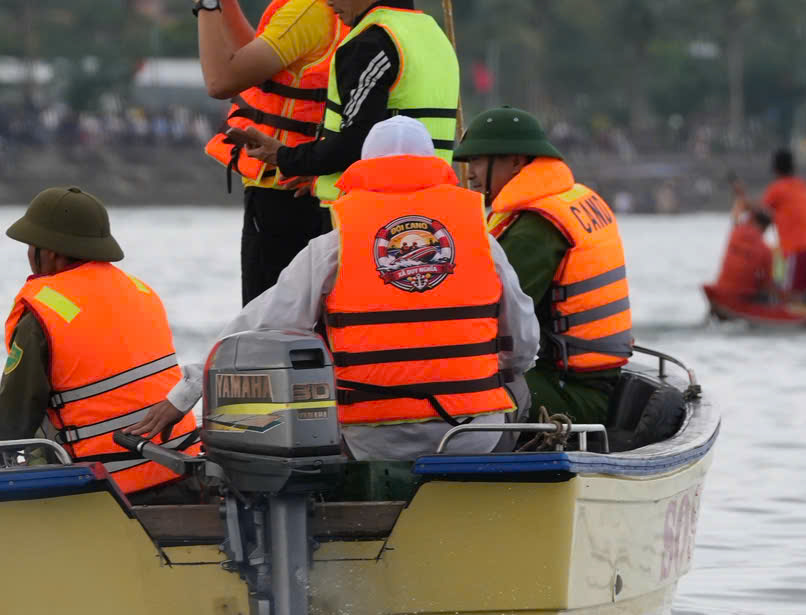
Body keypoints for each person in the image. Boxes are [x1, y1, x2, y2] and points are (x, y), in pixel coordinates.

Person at [141, 118, 535, 465]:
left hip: (372, 440)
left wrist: (186, 391)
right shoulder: (481, 239)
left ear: (363, 168)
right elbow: (524, 344)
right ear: (435, 166)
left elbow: (259, 324)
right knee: (516, 383)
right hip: (470, 435)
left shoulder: (336, 243)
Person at [0, 186, 201, 502]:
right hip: (182, 473)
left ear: (50, 252)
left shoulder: (42, 314)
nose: (28, 254)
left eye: (30, 245)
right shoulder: (141, 292)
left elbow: (13, 422)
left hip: (110, 490)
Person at [189, 0, 350, 302]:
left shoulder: (307, 8)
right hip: (310, 181)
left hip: (283, 189)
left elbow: (221, 81)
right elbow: (258, 64)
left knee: (267, 316)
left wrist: (206, 2)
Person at [223, 0, 461, 202]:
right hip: (430, 205)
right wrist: (316, 171)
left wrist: (282, 155)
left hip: (374, 208)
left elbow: (354, 141)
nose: (330, 0)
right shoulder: (432, 33)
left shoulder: (369, 43)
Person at [450, 106, 634, 434]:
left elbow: (490, 319)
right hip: (591, 382)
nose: (471, 173)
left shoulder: (535, 228)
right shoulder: (573, 198)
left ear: (516, 162)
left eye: (477, 160)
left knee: (446, 397)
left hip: (569, 393)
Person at [754, 150, 806, 299]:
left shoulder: (776, 189)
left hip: (799, 250)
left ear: (775, 169)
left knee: (792, 296)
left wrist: (742, 203)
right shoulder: (803, 186)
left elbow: (759, 215)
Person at [711, 201, 776, 304]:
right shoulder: (766, 251)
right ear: (766, 227)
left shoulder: (736, 232)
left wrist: (749, 205)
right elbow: (767, 283)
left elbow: (738, 209)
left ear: (751, 219)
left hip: (721, 290)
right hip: (742, 298)